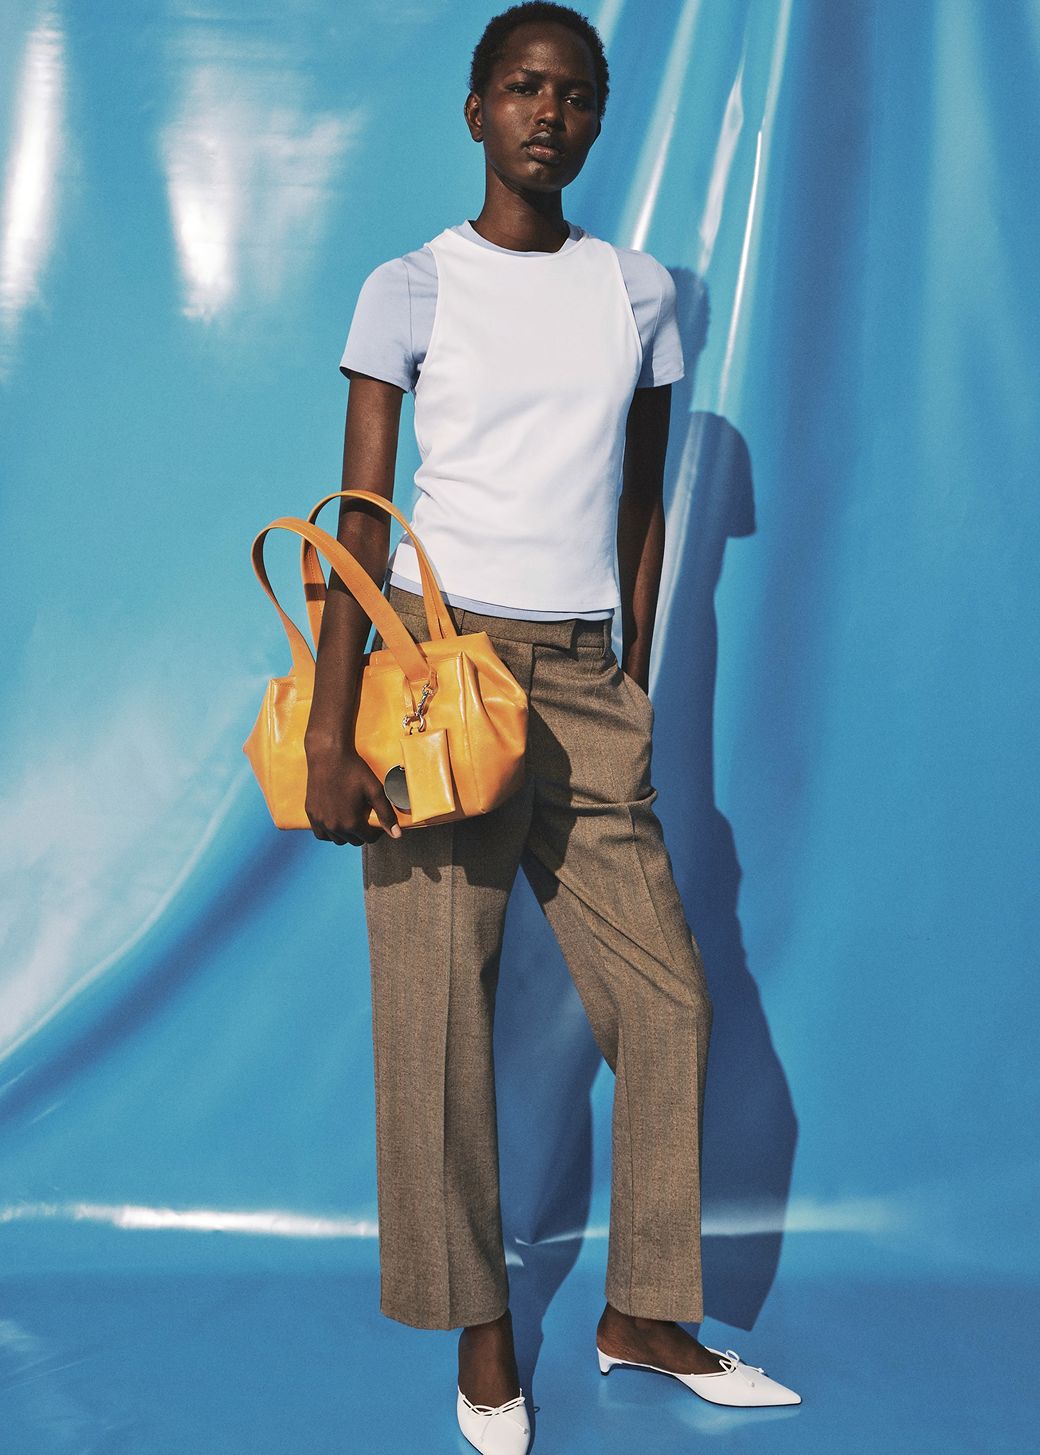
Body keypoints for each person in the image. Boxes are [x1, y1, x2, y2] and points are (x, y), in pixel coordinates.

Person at [304, 4, 801, 1450]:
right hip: (436, 669)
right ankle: (482, 1334)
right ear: (475, 110)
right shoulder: (408, 289)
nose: (548, 113)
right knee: (437, 1013)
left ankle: (644, 1312)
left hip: (583, 675)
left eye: (576, 94)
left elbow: (643, 500)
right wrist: (334, 731)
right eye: (523, 87)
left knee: (666, 1000)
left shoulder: (636, 295)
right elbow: (357, 518)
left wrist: (630, 672)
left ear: (597, 119)